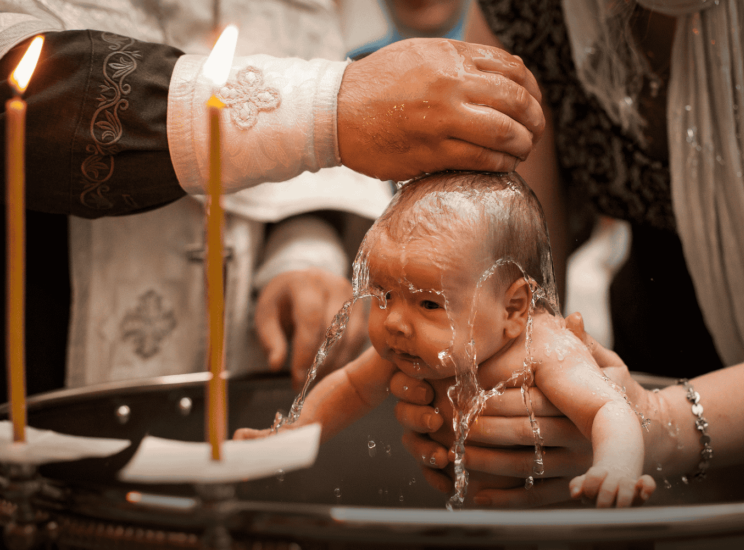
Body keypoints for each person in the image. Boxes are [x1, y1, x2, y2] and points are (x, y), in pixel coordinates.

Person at [0, 1, 544, 395]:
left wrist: (303, 253)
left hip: (247, 365)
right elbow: (27, 102)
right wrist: (332, 107)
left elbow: (302, 169)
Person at [391, 0, 744, 507]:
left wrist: (664, 426)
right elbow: (500, 287)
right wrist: (476, 394)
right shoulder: (524, 12)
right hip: (654, 338)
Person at [235, 170, 657, 508]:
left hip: (564, 520)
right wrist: (291, 432)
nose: (396, 322)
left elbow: (609, 407)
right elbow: (348, 388)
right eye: (383, 295)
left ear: (513, 309)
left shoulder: (545, 349)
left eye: (429, 304)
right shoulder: (408, 347)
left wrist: (616, 468)